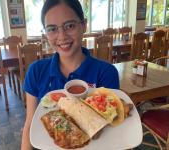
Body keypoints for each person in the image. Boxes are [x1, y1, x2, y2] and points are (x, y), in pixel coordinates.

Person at [21, 0, 119, 149]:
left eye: (70, 26)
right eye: (52, 29)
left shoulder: (106, 72)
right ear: (45, 33)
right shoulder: (36, 71)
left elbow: (111, 132)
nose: (62, 36)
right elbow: (29, 125)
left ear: (84, 25)